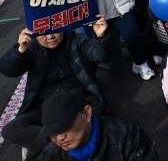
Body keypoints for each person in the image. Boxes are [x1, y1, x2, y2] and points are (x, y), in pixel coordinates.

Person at [0, 16, 112, 156]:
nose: (50, 36)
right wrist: (19, 51)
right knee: (11, 129)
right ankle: (72, 142)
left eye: (55, 30)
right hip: (44, 106)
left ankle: (47, 145)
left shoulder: (76, 40)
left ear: (63, 27)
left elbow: (102, 56)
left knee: (100, 108)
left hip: (77, 101)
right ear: (34, 33)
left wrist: (102, 37)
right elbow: (8, 70)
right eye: (43, 32)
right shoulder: (31, 48)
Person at [37, 89, 159, 160]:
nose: (59, 138)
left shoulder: (128, 136)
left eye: (65, 126)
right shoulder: (51, 155)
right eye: (51, 131)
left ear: (87, 113)